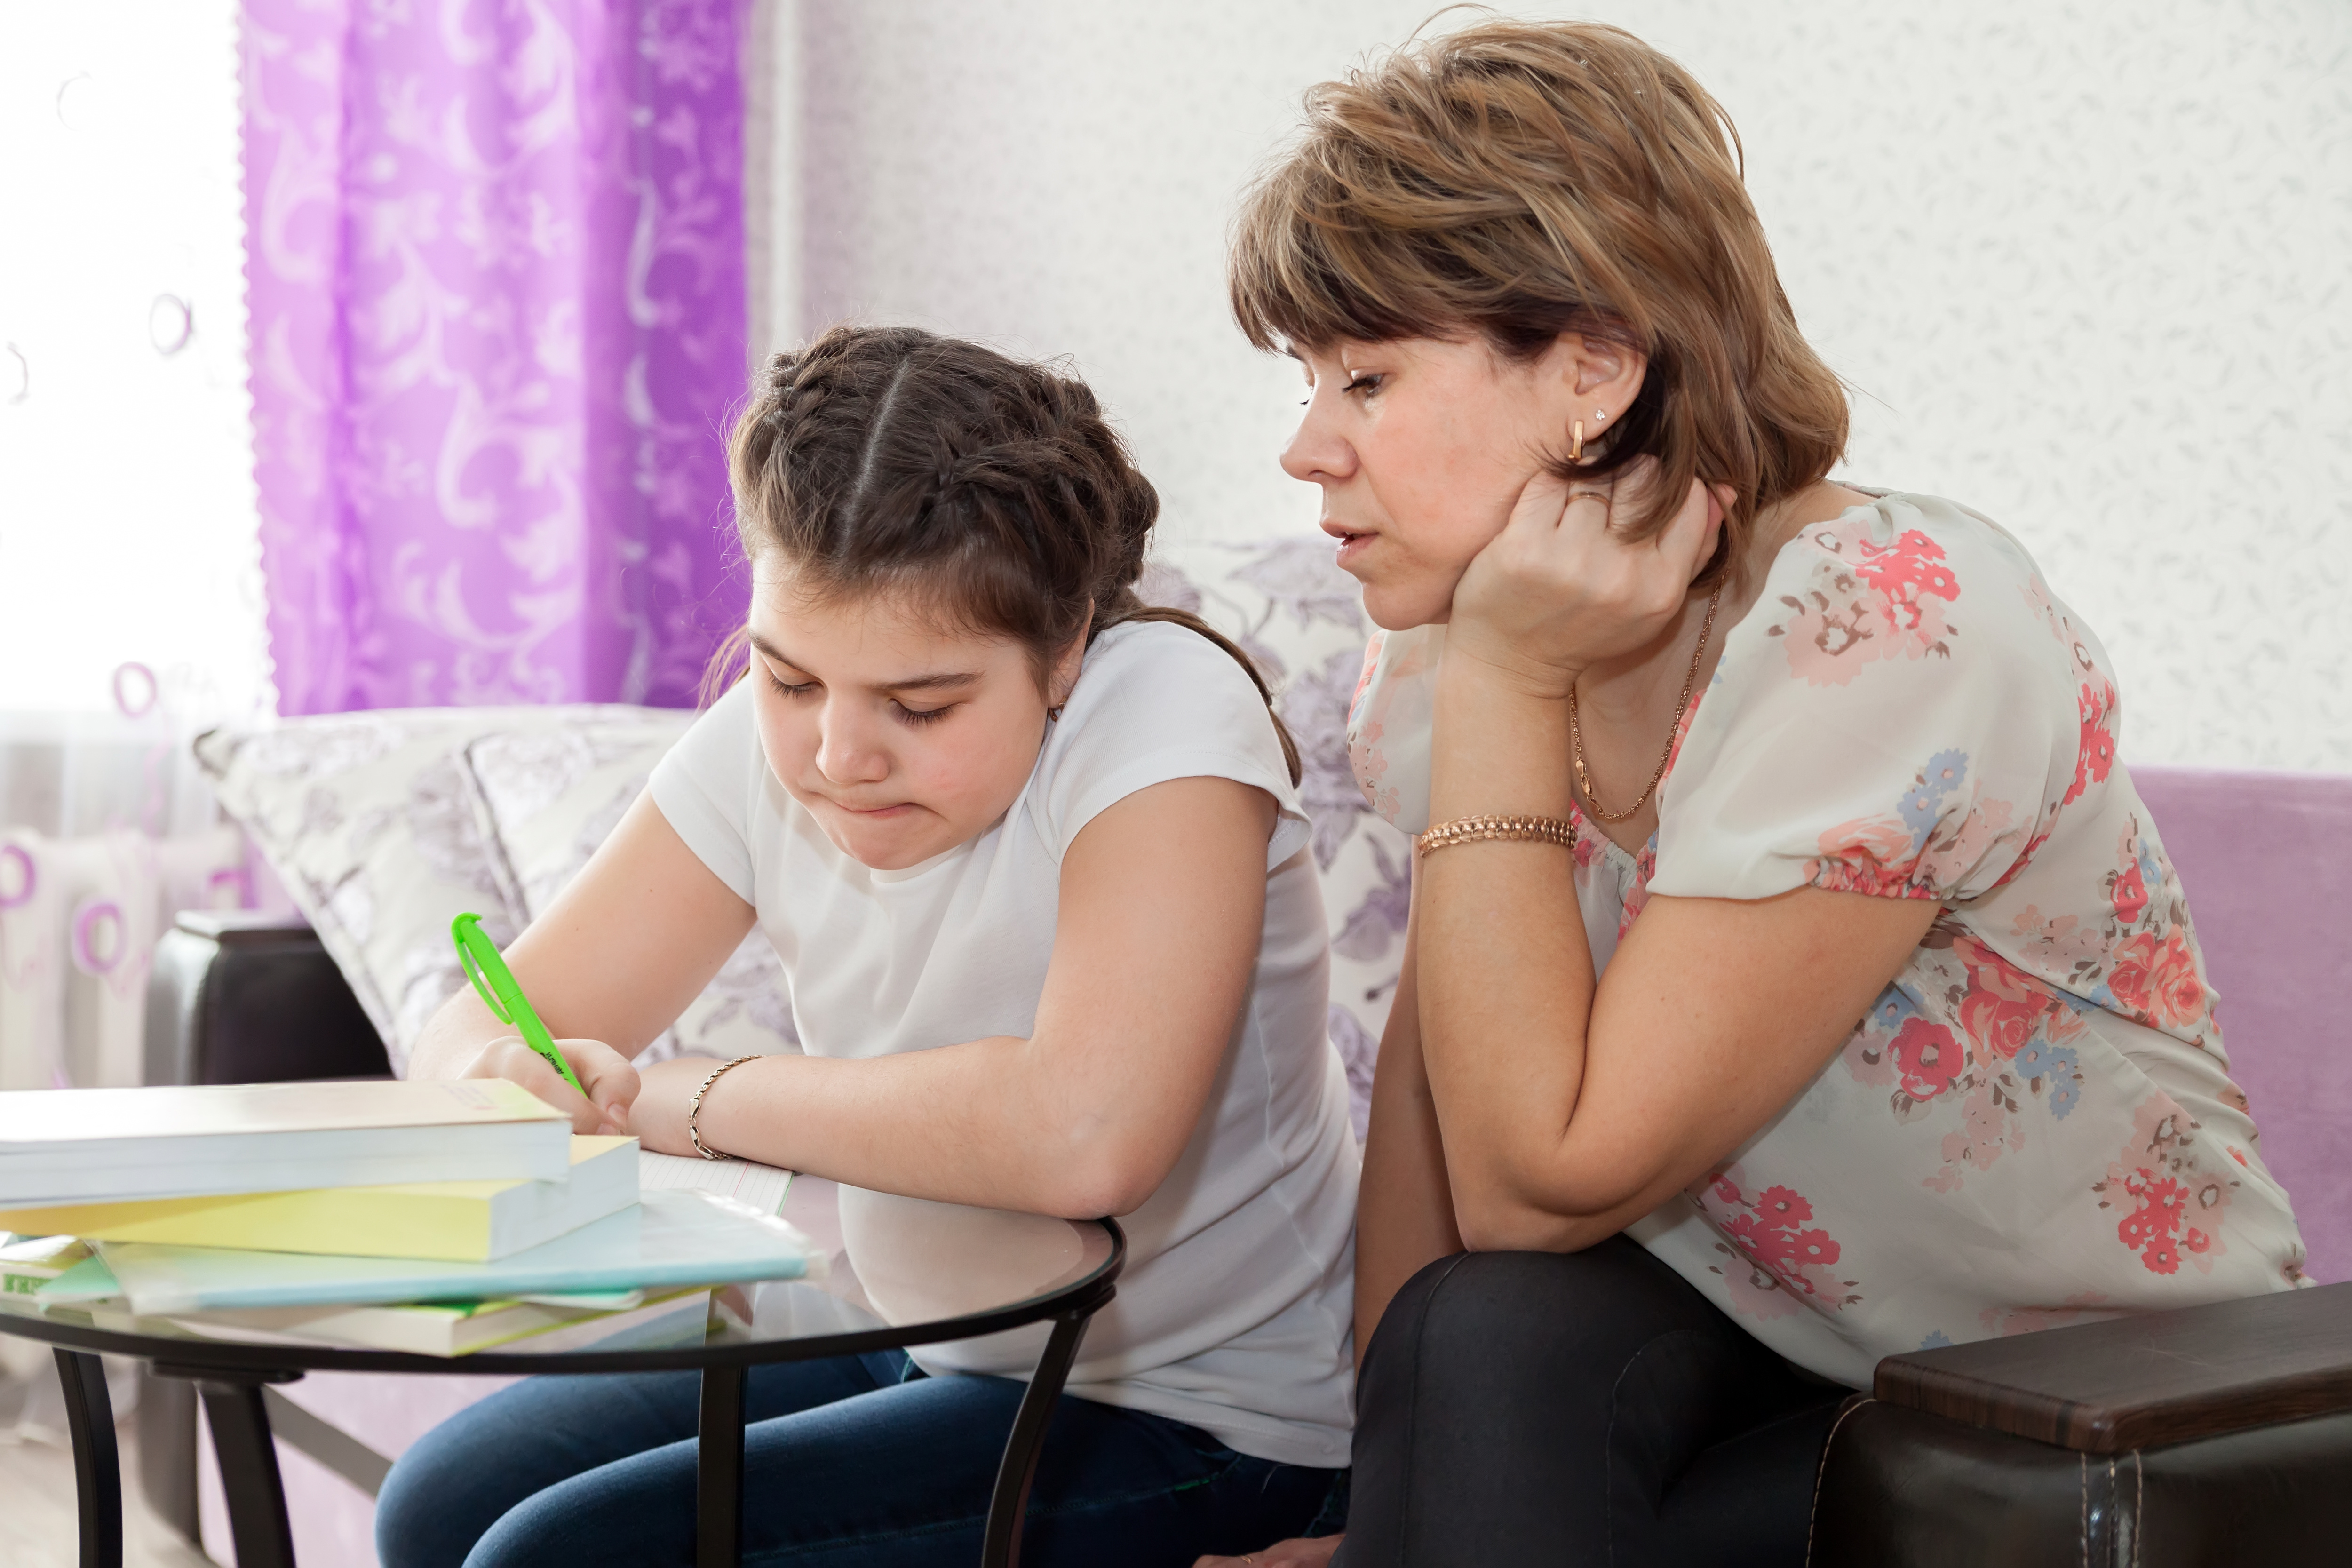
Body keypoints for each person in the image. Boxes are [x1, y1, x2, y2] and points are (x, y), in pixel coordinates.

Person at [1199, 19, 2308, 1568]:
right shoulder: (1470, 638)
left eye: (1366, 379)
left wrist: (1517, 691)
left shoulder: (1898, 628)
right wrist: (1378, 1509)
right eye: (1310, 378)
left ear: (1593, 370)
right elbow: (1446, 1071)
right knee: (1484, 1339)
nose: (1307, 449)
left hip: (2107, 1407)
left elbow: (1543, 1185)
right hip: (1780, 1349)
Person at [377, 326, 1357, 1567]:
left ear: (1061, 653)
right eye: (792, 682)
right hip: (935, 1338)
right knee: (438, 1505)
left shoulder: (1164, 712)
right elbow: (480, 1017)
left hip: (1198, 1412)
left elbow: (1083, 1137)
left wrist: (694, 1099)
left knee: (555, 1559)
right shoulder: (766, 746)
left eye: (923, 705)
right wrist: (493, 1076)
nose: (842, 756)